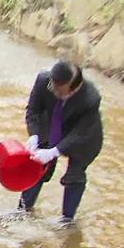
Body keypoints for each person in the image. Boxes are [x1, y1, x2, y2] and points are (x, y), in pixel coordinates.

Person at [21, 60, 103, 222]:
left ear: (74, 88)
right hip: (51, 125)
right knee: (37, 164)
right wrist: (34, 135)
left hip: (83, 137)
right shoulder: (43, 80)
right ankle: (23, 210)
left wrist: (54, 151)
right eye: (52, 85)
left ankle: (67, 220)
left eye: (59, 90)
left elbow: (80, 133)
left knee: (75, 175)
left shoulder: (91, 98)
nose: (53, 90)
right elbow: (33, 110)